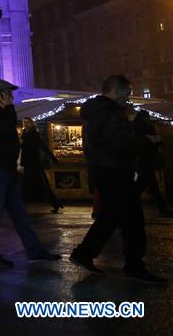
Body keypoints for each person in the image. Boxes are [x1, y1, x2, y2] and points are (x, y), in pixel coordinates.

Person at [69, 76, 167, 284]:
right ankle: (134, 267)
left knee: (110, 217)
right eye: (126, 93)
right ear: (114, 91)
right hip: (116, 171)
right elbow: (119, 144)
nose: (128, 98)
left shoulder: (97, 112)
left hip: (106, 171)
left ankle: (84, 253)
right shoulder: (107, 113)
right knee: (132, 220)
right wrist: (146, 141)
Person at [0, 79, 60, 267]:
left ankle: (34, 250)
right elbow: (0, 133)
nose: (12, 96)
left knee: (20, 213)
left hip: (7, 169)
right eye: (8, 93)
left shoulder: (5, 112)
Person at [19, 117, 62, 213]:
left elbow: (42, 146)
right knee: (33, 184)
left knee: (40, 184)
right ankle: (54, 203)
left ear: (31, 123)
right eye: (24, 122)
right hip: (29, 163)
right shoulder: (25, 134)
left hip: (33, 163)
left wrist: (52, 158)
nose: (26, 124)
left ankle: (55, 203)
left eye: (27, 122)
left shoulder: (34, 134)